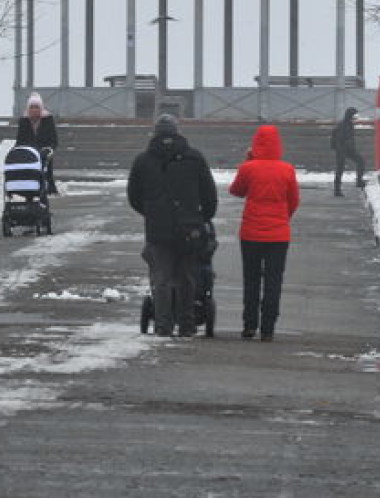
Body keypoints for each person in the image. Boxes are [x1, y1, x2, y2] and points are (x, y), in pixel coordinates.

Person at [127, 114, 218, 337]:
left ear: (155, 133)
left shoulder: (143, 160)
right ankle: (187, 325)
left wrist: (151, 214)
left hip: (158, 230)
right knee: (188, 277)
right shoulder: (194, 158)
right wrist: (201, 218)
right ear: (177, 131)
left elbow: (134, 196)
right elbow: (209, 196)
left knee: (161, 279)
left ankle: (163, 325)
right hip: (190, 229)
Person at [228, 124, 300, 342]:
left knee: (251, 280)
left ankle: (249, 325)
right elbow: (294, 200)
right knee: (273, 281)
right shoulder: (287, 169)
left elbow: (236, 190)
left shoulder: (249, 168)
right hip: (278, 236)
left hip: (250, 234)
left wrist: (249, 161)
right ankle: (268, 328)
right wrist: (281, 219)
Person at [16, 93, 59, 194]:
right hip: (29, 151)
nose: (34, 110)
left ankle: (49, 187)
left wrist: (49, 148)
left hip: (44, 150)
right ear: (28, 108)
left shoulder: (48, 120)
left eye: (37, 107)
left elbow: (53, 138)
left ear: (41, 108)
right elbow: (20, 139)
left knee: (45, 164)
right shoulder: (24, 121)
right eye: (32, 107)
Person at [329, 106, 366, 197]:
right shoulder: (343, 125)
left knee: (360, 161)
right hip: (342, 150)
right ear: (350, 116)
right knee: (340, 169)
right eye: (354, 116)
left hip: (348, 149)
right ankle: (337, 190)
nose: (355, 118)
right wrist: (340, 149)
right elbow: (339, 139)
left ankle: (359, 181)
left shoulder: (348, 124)